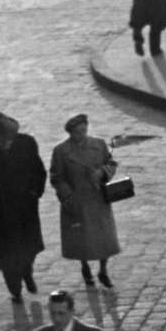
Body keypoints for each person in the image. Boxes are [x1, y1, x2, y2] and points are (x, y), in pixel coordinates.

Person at [0, 112, 47, 302]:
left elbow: (38, 170)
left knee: (30, 248)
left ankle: (27, 271)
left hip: (25, 206)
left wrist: (35, 193)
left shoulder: (27, 142)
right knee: (7, 252)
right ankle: (15, 289)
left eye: (9, 138)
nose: (6, 142)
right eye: (1, 138)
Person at [49, 114, 122, 290]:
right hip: (77, 200)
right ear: (70, 133)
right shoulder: (61, 151)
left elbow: (111, 164)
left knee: (105, 238)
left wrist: (102, 173)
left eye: (84, 130)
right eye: (76, 132)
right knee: (81, 239)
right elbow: (56, 177)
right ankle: (85, 267)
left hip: (98, 198)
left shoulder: (98, 144)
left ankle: (103, 271)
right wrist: (68, 197)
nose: (81, 134)